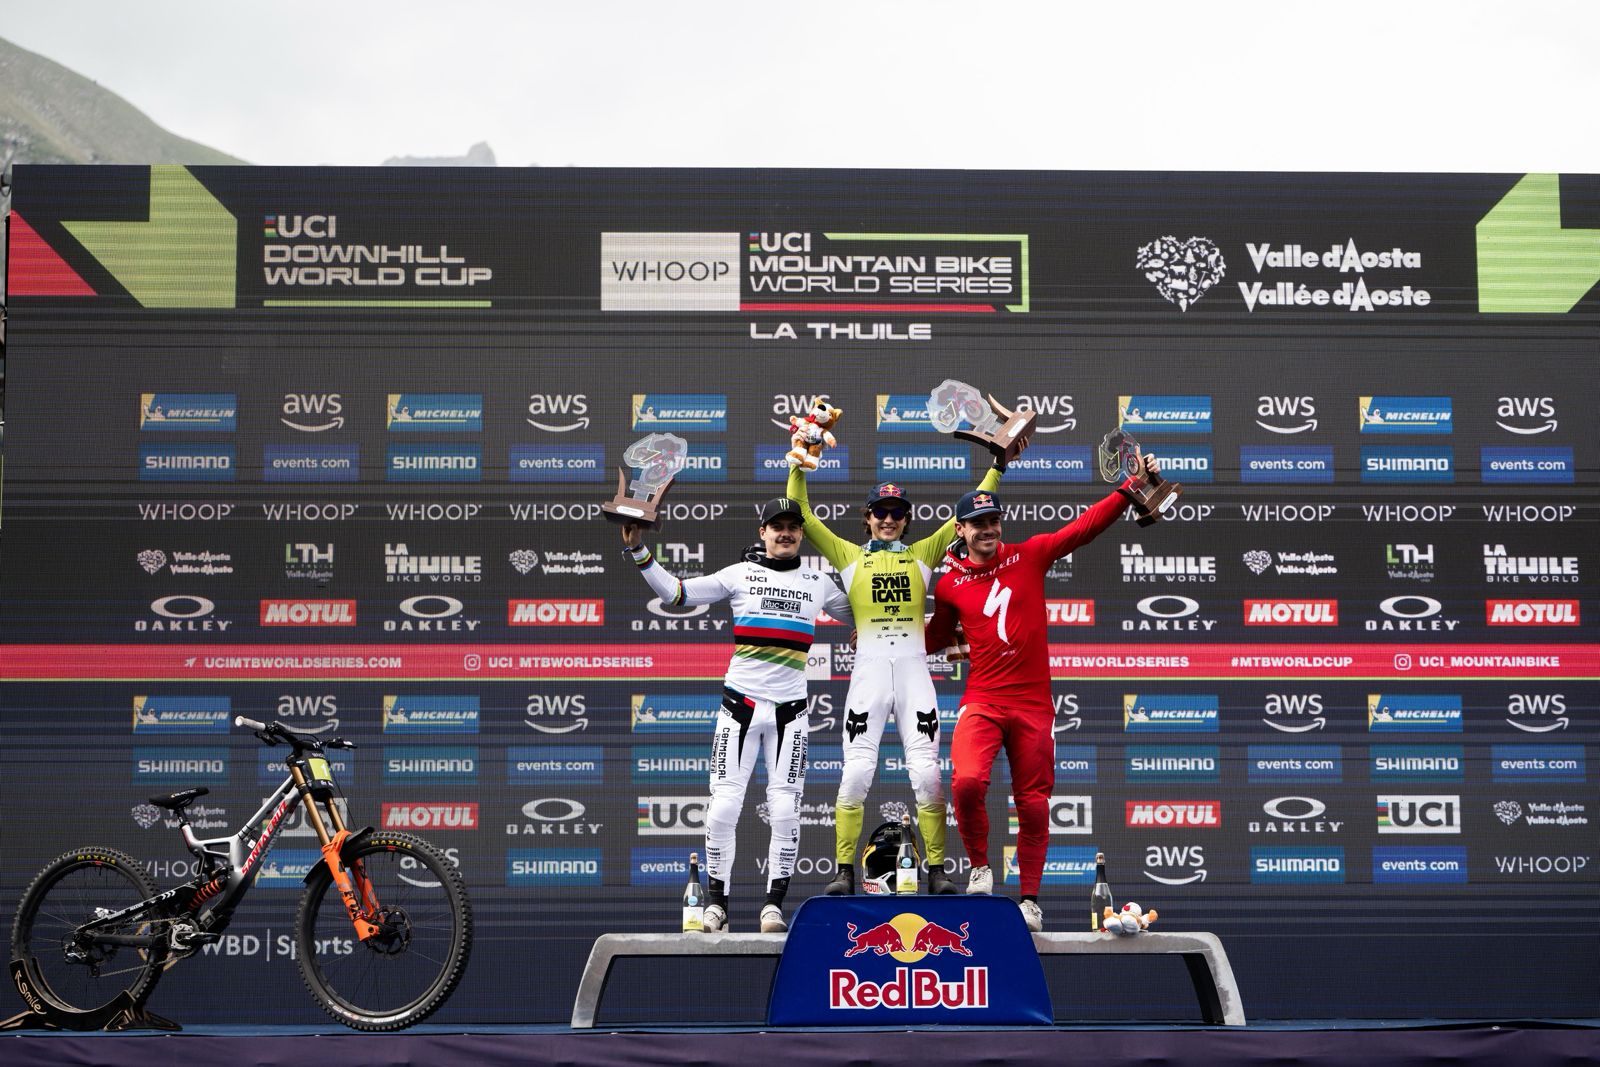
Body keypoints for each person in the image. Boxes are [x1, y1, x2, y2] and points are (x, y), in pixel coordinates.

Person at [924, 453, 1162, 931]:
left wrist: (1130, 486)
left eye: (993, 521)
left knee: (1033, 803)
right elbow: (934, 638)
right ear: (961, 530)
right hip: (983, 700)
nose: (988, 530)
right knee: (966, 782)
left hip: (1032, 705)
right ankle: (980, 868)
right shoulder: (949, 585)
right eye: (978, 524)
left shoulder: (1029, 554)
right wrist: (878, 632)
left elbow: (1084, 528)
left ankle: (1030, 900)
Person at [621, 498, 852, 932]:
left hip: (790, 713)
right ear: (763, 533)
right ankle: (717, 906)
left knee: (785, 811)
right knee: (722, 809)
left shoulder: (818, 581)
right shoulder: (739, 574)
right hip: (740, 708)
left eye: (793, 526)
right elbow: (676, 594)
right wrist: (637, 549)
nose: (785, 533)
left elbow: (869, 616)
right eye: (777, 526)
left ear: (801, 534)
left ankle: (772, 907)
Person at [787, 449, 1008, 896]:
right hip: (868, 677)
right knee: (855, 774)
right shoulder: (848, 556)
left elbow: (971, 507)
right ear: (868, 518)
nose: (888, 520)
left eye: (897, 513)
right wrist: (798, 464)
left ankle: (937, 870)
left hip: (913, 676)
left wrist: (998, 467)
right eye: (881, 512)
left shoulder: (924, 553)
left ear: (907, 520)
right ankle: (844, 871)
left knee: (927, 775)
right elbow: (803, 516)